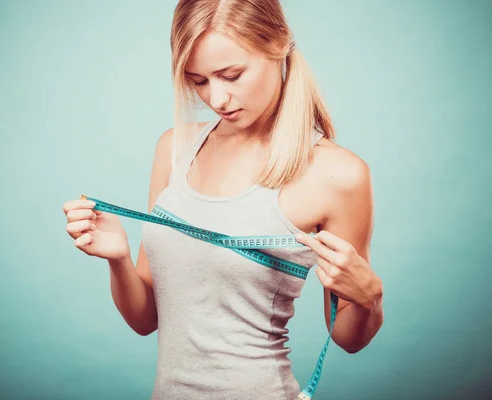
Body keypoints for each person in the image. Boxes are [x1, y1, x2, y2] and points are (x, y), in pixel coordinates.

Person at [62, 1, 384, 398]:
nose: (217, 98)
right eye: (198, 81)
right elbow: (146, 319)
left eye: (231, 75)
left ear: (278, 47)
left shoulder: (338, 174)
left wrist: (369, 299)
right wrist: (118, 259)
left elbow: (347, 338)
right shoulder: (175, 148)